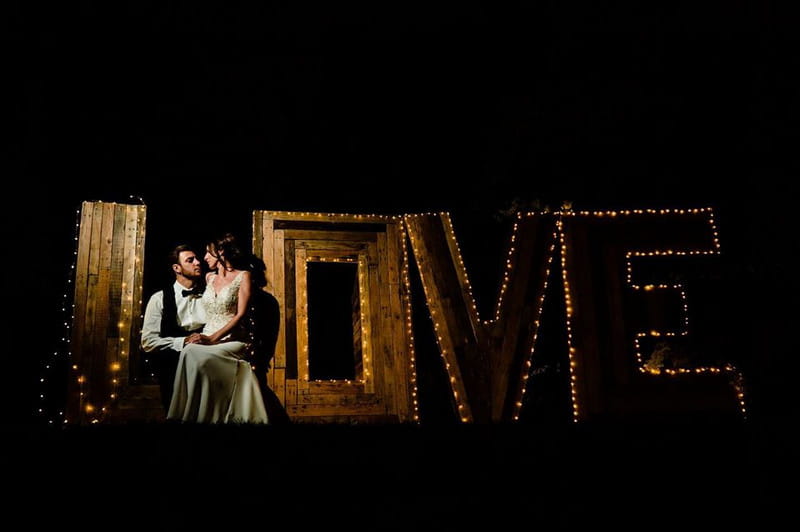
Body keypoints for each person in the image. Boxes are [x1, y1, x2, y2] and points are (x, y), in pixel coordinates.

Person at [167, 233, 269, 424]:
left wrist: (212, 339)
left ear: (221, 252)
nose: (204, 258)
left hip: (232, 339)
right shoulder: (209, 278)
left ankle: (210, 415)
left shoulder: (243, 276)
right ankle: (188, 414)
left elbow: (240, 315)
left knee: (199, 356)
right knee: (188, 351)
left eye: (208, 253)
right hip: (208, 334)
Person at [141, 244, 207, 413]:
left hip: (207, 367)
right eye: (190, 260)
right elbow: (148, 342)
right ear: (177, 268)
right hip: (174, 369)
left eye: (197, 259)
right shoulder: (159, 298)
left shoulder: (210, 295)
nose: (198, 263)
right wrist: (183, 341)